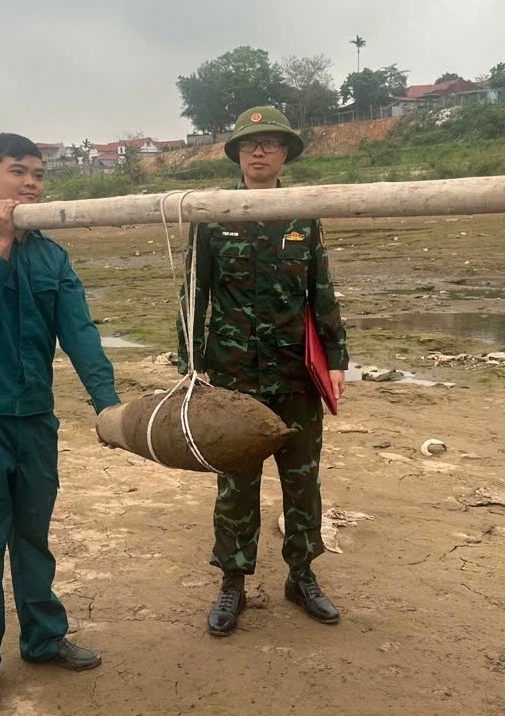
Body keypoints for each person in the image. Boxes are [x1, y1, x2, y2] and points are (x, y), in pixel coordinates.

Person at [0, 133, 121, 712]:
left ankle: (43, 639)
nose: (32, 182)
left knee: (33, 538)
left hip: (35, 420)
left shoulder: (52, 255)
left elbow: (79, 333)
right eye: (18, 172)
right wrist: (1, 244)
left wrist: (106, 404)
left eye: (38, 173)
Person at [177, 106, 349, 636]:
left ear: (284, 154)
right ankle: (232, 582)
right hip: (233, 378)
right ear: (236, 154)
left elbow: (320, 289)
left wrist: (338, 358)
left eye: (271, 143)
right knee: (236, 482)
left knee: (302, 481)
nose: (259, 151)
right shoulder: (213, 212)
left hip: (296, 374)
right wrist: (189, 364)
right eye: (250, 143)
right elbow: (194, 293)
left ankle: (302, 575)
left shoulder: (304, 213)